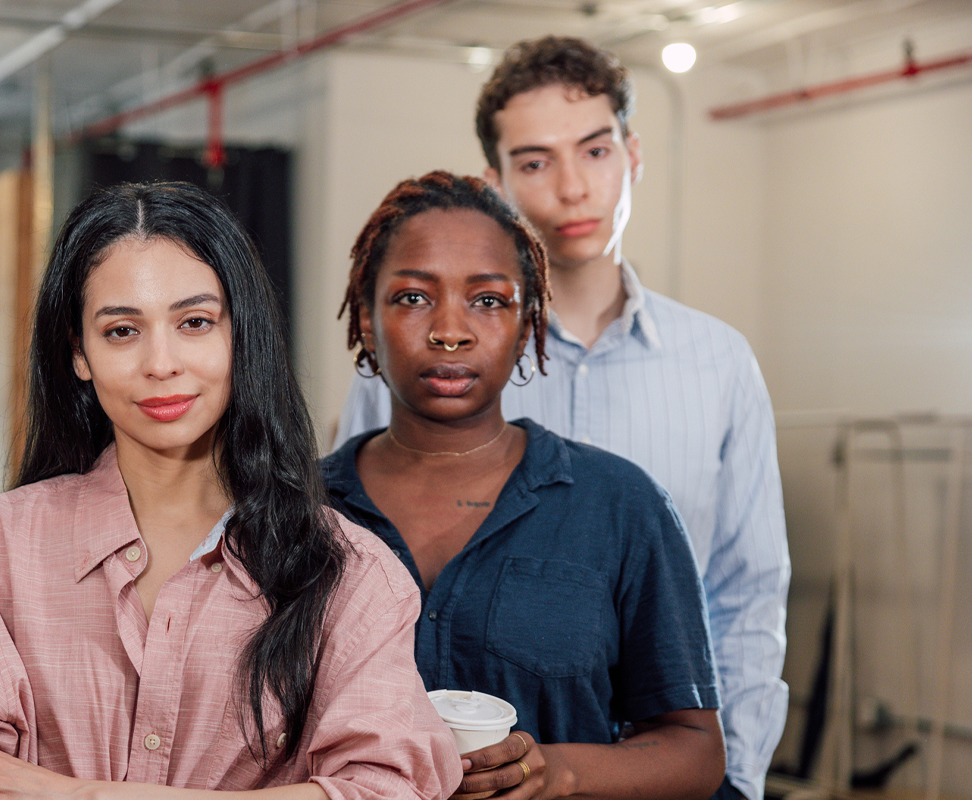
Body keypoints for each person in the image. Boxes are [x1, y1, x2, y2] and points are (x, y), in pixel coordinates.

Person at [0, 182, 458, 800]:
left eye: (195, 322)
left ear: (241, 336)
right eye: (122, 331)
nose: (161, 362)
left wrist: (65, 792)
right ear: (79, 352)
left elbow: (387, 791)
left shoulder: (352, 574)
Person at [334, 37, 790, 800]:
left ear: (632, 155)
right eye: (537, 161)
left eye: (594, 152)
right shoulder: (405, 383)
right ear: (498, 180)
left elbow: (748, 593)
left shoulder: (717, 364)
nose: (573, 188)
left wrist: (732, 778)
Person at [324, 170, 725, 800]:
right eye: (412, 297)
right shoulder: (294, 512)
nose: (449, 330)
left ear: (528, 323)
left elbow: (695, 752)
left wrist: (560, 771)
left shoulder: (619, 505)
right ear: (369, 324)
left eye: (488, 300)